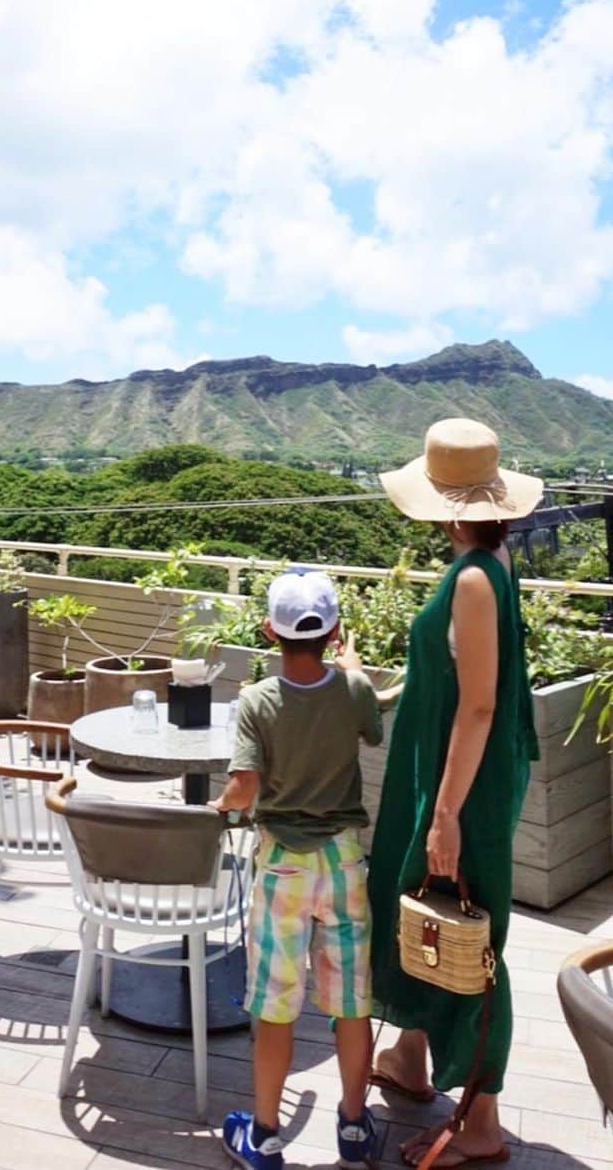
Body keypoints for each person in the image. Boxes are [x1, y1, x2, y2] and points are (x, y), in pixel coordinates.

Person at [362, 418, 543, 1169]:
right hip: (443, 769)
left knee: (468, 938)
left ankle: (480, 1123)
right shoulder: (493, 557)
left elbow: (478, 704)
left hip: (456, 783)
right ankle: (409, 1056)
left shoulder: (472, 577)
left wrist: (444, 816)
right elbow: (463, 673)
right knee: (417, 909)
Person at [212, 568, 385, 1170]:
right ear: (334, 631)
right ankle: (357, 1126)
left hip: (283, 862)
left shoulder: (257, 700)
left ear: (269, 632)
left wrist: (220, 805)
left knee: (275, 1001)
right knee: (351, 1000)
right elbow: (367, 722)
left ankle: (263, 1136)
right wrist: (353, 669)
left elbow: (242, 788)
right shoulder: (354, 687)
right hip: (342, 860)